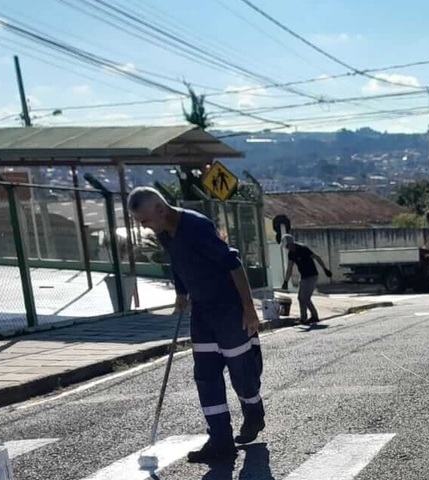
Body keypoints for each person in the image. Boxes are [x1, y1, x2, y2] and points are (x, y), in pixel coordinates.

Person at [128, 187, 264, 465]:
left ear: (160, 210)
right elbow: (177, 263)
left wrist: (249, 309)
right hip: (202, 312)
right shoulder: (165, 233)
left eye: (144, 221)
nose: (143, 227)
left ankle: (254, 413)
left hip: (228, 309)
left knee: (242, 372)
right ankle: (220, 441)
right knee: (206, 376)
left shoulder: (197, 227)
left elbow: (233, 264)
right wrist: (181, 292)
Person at [279, 234, 332, 325]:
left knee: (305, 298)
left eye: (287, 246)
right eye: (286, 247)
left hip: (312, 276)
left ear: (291, 243)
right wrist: (285, 281)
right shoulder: (291, 254)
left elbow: (317, 257)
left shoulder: (303, 249)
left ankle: (306, 318)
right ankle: (311, 317)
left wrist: (325, 269)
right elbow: (289, 268)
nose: (287, 248)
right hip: (303, 277)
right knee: (301, 298)